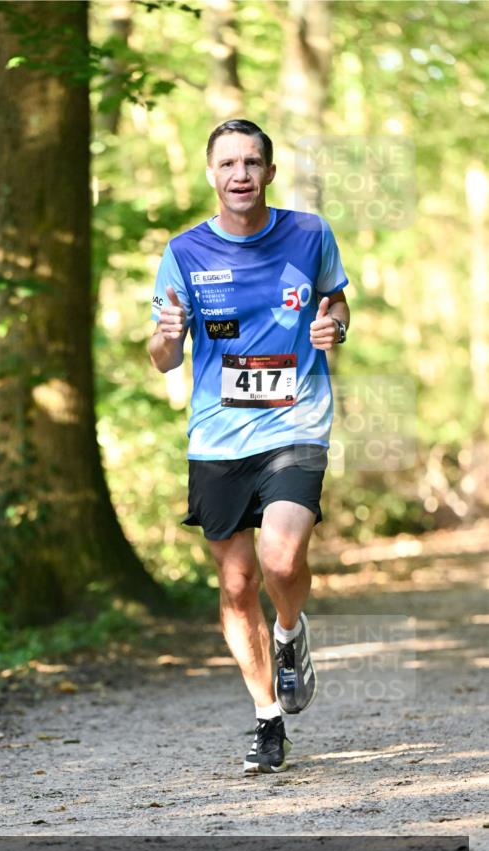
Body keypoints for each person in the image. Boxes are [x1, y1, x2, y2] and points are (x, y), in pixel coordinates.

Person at [148, 119, 350, 776]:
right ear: (211, 174)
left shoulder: (309, 233)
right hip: (217, 435)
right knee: (235, 582)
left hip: (295, 423)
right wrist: (169, 335)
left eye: (251, 162)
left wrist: (332, 327)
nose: (240, 174)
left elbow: (337, 304)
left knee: (281, 560)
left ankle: (290, 632)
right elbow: (159, 359)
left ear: (268, 172)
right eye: (228, 163)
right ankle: (267, 720)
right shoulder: (183, 253)